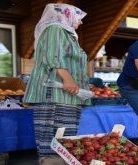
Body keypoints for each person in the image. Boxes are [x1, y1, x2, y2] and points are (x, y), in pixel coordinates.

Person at [23, 3, 90, 164]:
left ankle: (62, 160)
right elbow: (52, 55)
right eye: (78, 17)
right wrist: (68, 78)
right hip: (54, 92)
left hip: (68, 94)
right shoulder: (55, 28)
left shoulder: (68, 34)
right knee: (52, 134)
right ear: (66, 15)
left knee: (65, 134)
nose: (80, 22)